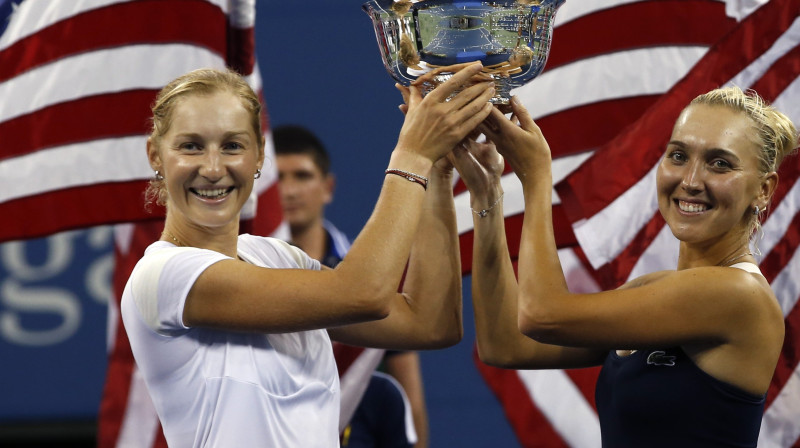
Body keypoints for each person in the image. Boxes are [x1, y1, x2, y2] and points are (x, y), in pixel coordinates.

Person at [120, 65, 494, 447]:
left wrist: (438, 170)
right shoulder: (164, 275)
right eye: (191, 146)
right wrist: (412, 155)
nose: (213, 168)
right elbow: (363, 293)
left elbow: (428, 323)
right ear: (155, 155)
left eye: (233, 146)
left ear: (259, 156)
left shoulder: (276, 256)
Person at [452, 86, 796, 447]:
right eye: (678, 155)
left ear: (764, 190)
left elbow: (542, 315)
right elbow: (505, 345)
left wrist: (536, 178)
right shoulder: (653, 289)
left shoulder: (738, 295)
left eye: (719, 163)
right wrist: (486, 191)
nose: (691, 181)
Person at [273, 124, 428, 447]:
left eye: (301, 176)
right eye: (278, 177)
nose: (287, 190)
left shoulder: (375, 278)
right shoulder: (242, 272)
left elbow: (409, 402)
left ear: (328, 187)